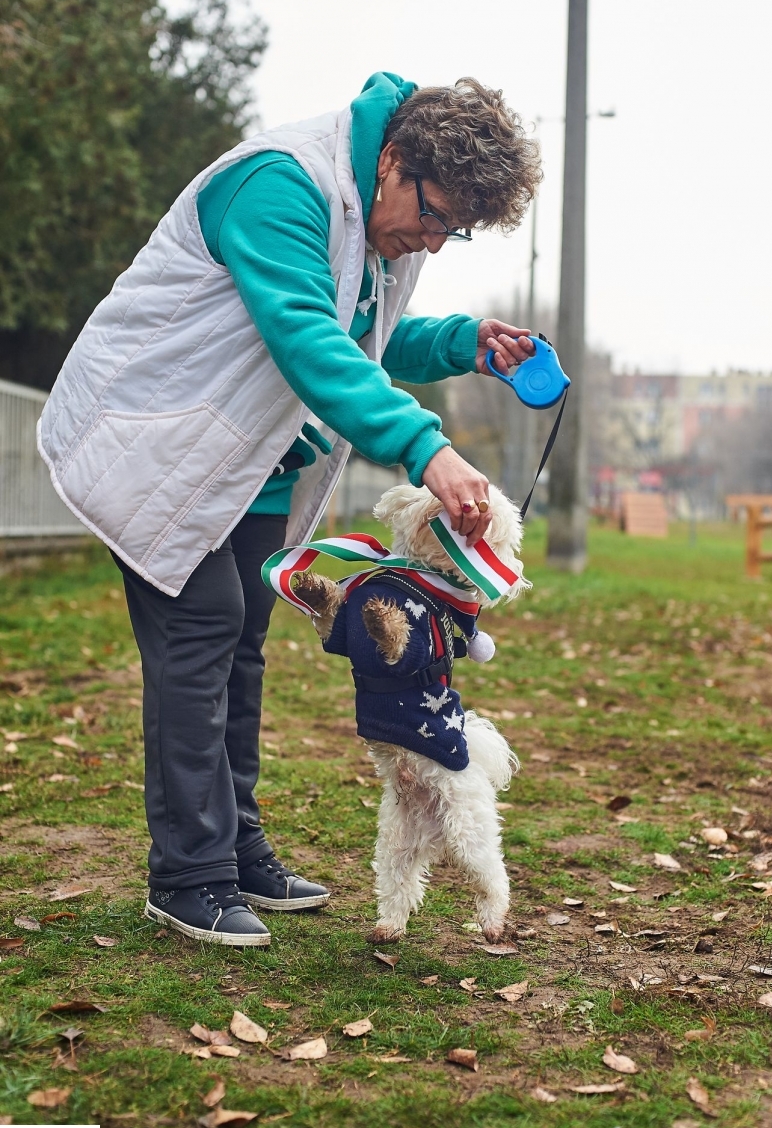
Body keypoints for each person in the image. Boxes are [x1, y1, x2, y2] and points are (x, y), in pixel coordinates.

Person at [38, 72, 542, 946]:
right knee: (202, 631)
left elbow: (364, 336)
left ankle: (234, 847)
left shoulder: (385, 223)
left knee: (242, 641)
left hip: (251, 461)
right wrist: (428, 448)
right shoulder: (281, 184)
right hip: (161, 436)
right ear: (393, 161)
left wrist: (464, 342)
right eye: (432, 216)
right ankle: (187, 874)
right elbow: (307, 334)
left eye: (451, 230)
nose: (432, 238)